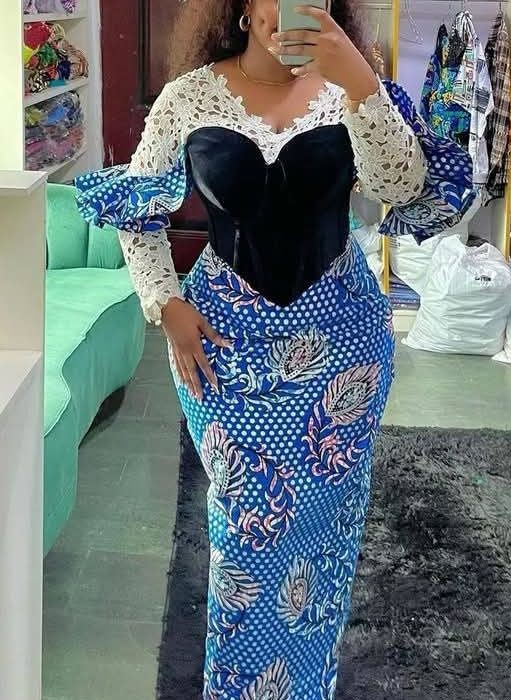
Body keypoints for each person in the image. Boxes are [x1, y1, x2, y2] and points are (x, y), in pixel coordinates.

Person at [76, 1, 426, 697]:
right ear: (243, 7)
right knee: (245, 527)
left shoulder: (352, 87)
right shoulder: (190, 96)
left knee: (325, 528)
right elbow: (138, 209)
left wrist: (360, 82)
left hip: (342, 345)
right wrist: (165, 302)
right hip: (223, 345)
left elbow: (402, 188)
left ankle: (306, 684)